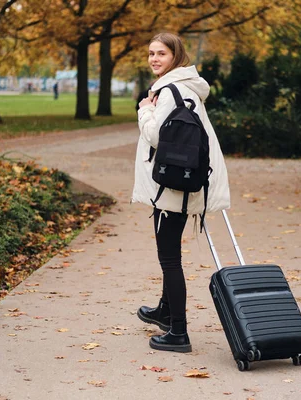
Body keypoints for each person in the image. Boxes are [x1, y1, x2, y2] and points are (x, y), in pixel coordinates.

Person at [132, 33, 230, 353]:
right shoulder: (186, 87)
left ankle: (179, 332)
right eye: (151, 53)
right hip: (181, 184)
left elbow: (158, 136)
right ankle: (165, 310)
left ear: (176, 56)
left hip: (171, 188)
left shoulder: (170, 91)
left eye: (161, 53)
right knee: (170, 254)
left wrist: (144, 110)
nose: (154, 59)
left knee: (169, 258)